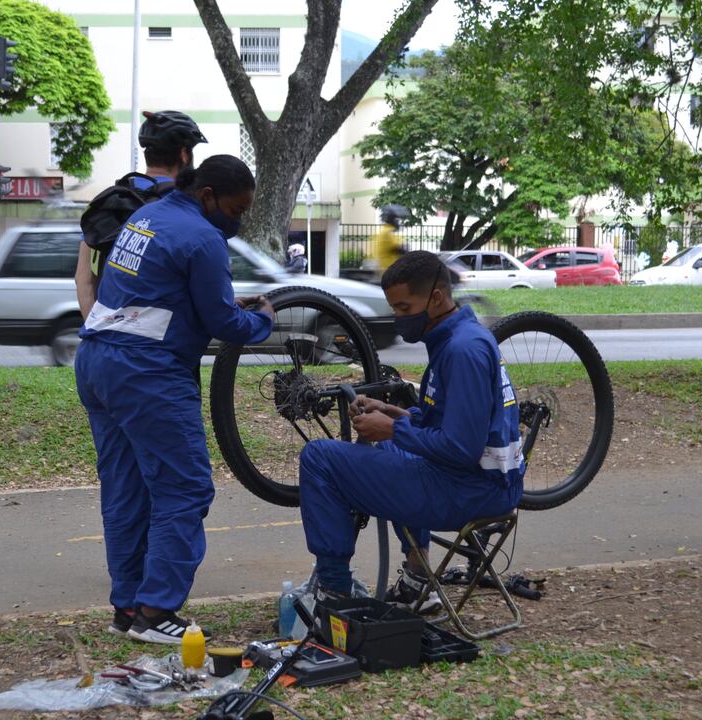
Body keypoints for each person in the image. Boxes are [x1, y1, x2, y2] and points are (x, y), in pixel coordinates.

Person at [75, 155, 275, 645]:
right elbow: (224, 324)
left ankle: (127, 607)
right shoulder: (204, 238)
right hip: (148, 374)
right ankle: (156, 612)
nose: (238, 219)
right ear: (208, 196)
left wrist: (221, 303)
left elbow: (155, 290)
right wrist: (262, 320)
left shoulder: (147, 215)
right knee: (184, 489)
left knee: (126, 489)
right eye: (236, 209)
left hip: (98, 360)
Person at [297, 251, 525, 609]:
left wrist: (392, 429)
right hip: (477, 482)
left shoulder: (462, 351)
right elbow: (447, 424)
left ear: (436, 298)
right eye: (395, 308)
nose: (400, 318)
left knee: (319, 458)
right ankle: (419, 580)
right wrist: (395, 414)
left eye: (405, 308)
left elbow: (461, 448)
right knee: (389, 449)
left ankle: (334, 593)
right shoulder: (458, 338)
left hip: (471, 491)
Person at [76, 110, 207, 320]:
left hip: (107, 329)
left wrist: (95, 326)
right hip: (164, 333)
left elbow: (84, 279)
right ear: (184, 154)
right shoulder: (186, 206)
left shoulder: (109, 202)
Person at [366, 205, 409, 276]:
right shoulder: (387, 233)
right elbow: (399, 250)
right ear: (393, 220)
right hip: (389, 273)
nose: (399, 223)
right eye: (398, 220)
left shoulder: (386, 231)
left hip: (389, 271)